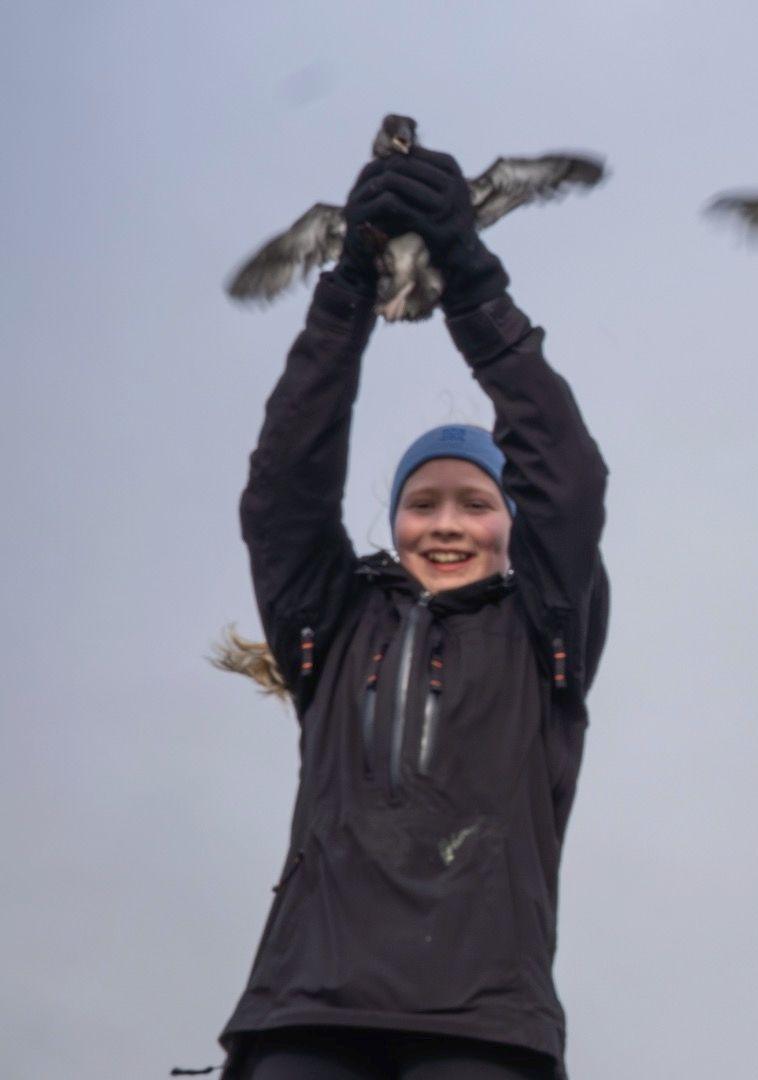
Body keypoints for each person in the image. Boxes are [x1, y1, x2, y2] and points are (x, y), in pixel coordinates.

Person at [212, 141, 609, 1079]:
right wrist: (348, 285)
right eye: (421, 503)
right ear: (391, 523)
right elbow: (283, 489)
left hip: (482, 1027)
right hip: (307, 1010)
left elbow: (569, 475)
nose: (445, 523)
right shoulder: (332, 623)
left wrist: (469, 279)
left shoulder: (546, 627)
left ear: (512, 524)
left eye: (476, 503)